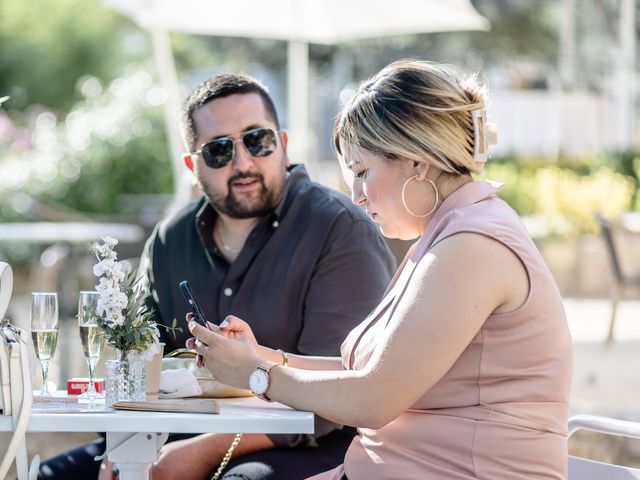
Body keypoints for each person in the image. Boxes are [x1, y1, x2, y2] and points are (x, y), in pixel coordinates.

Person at [186, 60, 574, 480]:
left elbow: (373, 399)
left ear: (416, 162)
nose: (355, 195)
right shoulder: (447, 234)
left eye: (361, 172)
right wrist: (262, 355)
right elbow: (372, 375)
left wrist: (256, 375)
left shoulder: (472, 245)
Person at [38, 74, 395, 480]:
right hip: (172, 436)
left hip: (308, 443)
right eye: (219, 150)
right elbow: (138, 362)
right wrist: (125, 445)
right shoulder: (171, 239)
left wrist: (207, 449)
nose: (242, 162)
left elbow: (339, 393)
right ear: (193, 165)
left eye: (257, 140)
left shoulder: (339, 228)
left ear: (282, 143)